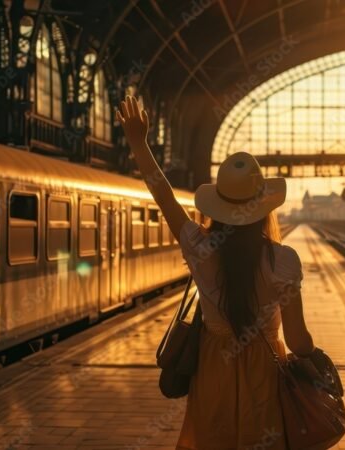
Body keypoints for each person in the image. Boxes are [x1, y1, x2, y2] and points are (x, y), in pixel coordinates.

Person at [117, 96, 325, 449]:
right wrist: (315, 358)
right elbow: (297, 339)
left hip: (213, 367)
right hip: (266, 373)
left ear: (218, 206)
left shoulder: (199, 248)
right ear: (263, 209)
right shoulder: (284, 261)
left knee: (213, 437)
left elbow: (163, 195)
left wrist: (139, 143)